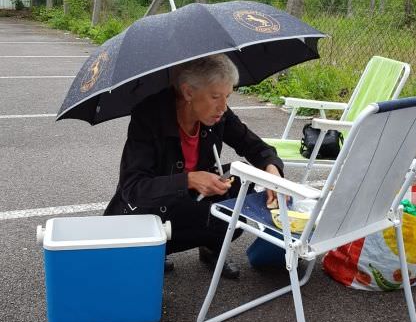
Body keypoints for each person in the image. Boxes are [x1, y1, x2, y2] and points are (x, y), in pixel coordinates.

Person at [104, 54, 283, 279]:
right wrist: (189, 179)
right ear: (189, 92)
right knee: (154, 241)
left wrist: (272, 170)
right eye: (215, 96)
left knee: (238, 186)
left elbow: (257, 148)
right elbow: (134, 189)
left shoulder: (220, 114)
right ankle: (153, 249)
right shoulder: (149, 116)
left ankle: (210, 247)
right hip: (150, 208)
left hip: (188, 200)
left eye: (227, 96)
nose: (223, 107)